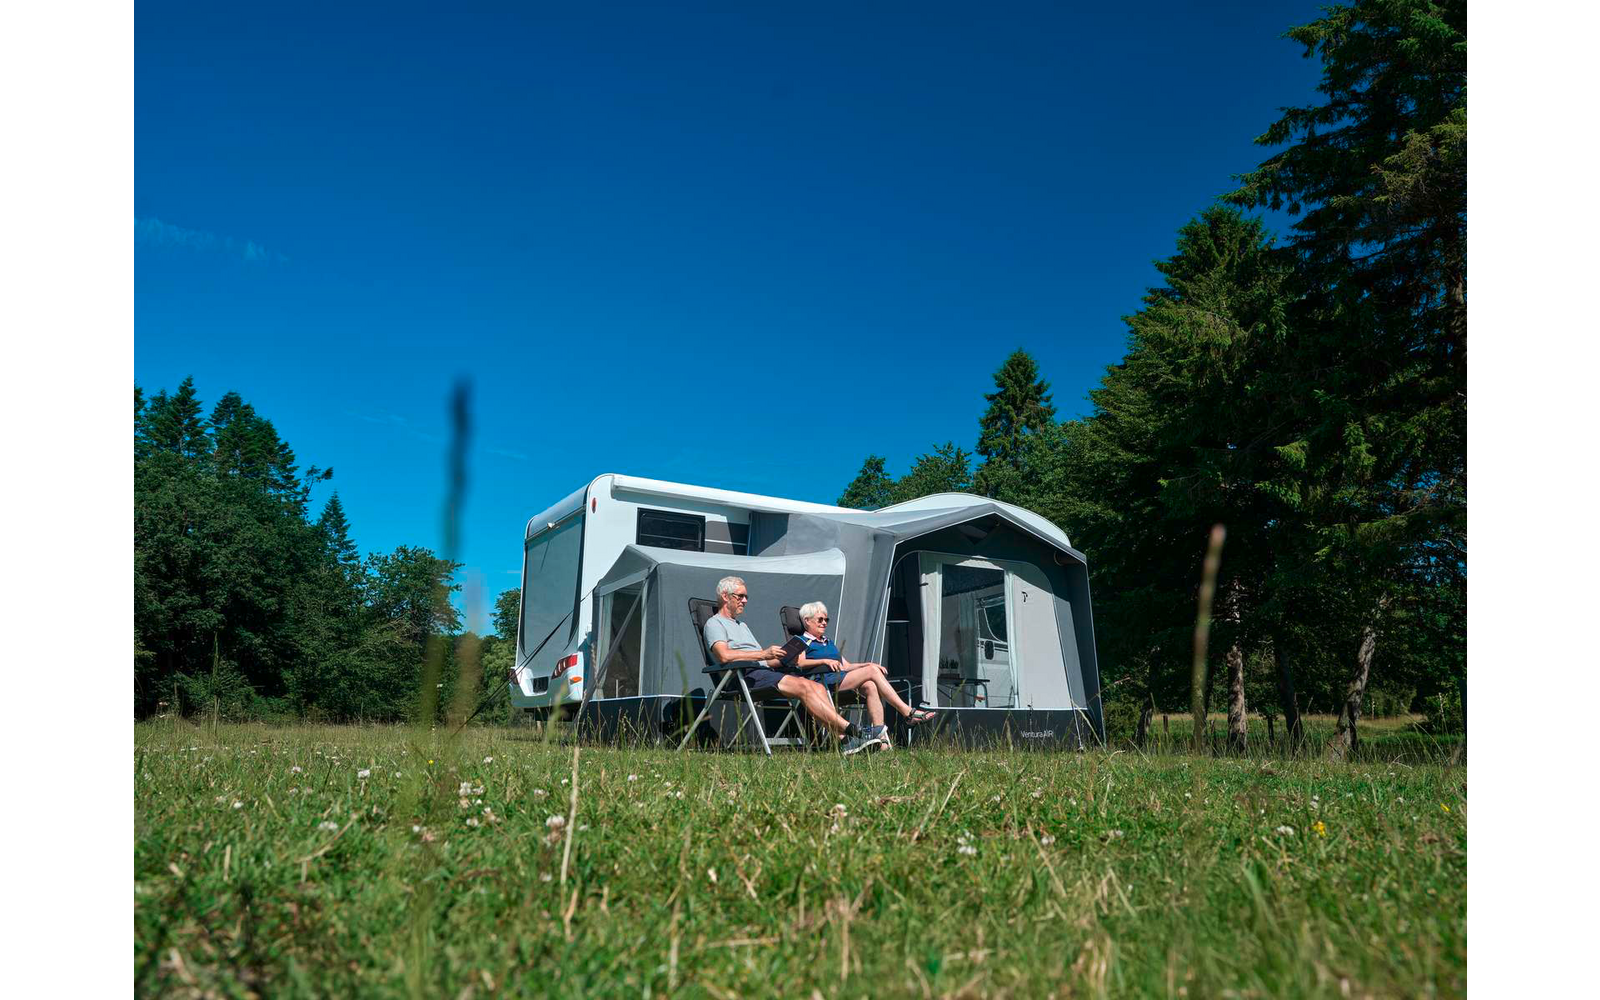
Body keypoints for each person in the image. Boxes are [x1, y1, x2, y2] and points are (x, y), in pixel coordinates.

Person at [703, 576, 886, 754]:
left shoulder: (742, 626)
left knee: (816, 686)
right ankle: (855, 731)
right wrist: (763, 653)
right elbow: (724, 656)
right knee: (804, 686)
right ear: (725, 596)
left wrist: (785, 656)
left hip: (761, 672)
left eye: (746, 597)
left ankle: (845, 742)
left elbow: (764, 660)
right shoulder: (714, 623)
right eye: (740, 596)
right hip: (741, 676)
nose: (744, 601)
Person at [793, 601, 937, 741]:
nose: (824, 623)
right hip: (821, 682)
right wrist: (824, 661)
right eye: (820, 619)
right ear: (807, 620)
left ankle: (881, 740)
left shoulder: (828, 641)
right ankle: (907, 712)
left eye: (826, 620)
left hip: (839, 678)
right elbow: (800, 663)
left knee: (870, 685)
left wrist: (868, 664)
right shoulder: (801, 640)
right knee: (872, 671)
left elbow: (846, 666)